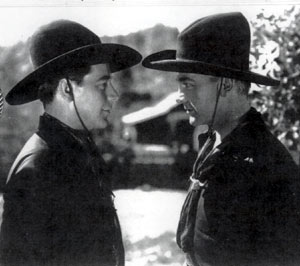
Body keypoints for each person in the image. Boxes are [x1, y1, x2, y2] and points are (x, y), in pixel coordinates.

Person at [143, 12, 300, 266]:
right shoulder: (213, 146)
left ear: (226, 84)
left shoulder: (266, 167)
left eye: (188, 84)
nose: (179, 96)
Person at [0, 20, 141, 266]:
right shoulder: (38, 170)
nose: (114, 94)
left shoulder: (74, 152)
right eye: (102, 84)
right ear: (66, 89)